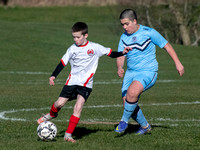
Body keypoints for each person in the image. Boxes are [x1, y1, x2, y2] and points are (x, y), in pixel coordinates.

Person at [37, 22, 130, 143]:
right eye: (74, 37)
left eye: (78, 37)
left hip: (86, 84)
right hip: (71, 82)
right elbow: (62, 63)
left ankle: (68, 135)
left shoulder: (95, 47)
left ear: (85, 35)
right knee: (59, 104)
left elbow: (110, 53)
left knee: (78, 107)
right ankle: (52, 114)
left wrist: (123, 52)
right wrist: (53, 76)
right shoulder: (72, 49)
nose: (75, 40)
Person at [115, 9, 184, 135]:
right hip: (130, 73)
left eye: (126, 24)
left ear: (134, 21)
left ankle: (123, 121)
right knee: (128, 102)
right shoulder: (123, 37)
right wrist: (120, 67)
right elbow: (120, 56)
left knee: (132, 93)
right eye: (122, 25)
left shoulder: (149, 32)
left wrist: (178, 63)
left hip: (147, 72)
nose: (124, 27)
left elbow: (167, 46)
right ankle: (145, 126)